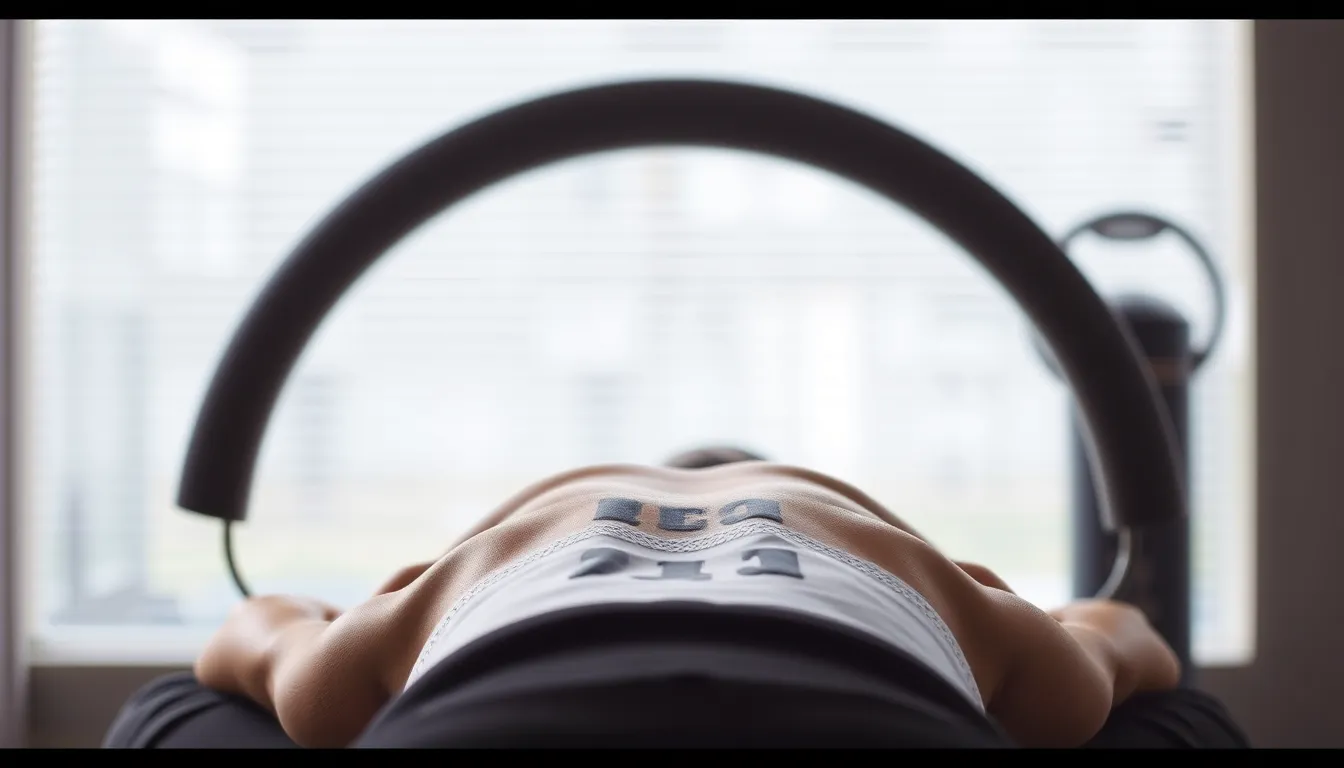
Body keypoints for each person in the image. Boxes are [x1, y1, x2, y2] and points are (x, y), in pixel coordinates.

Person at [104, 446, 1250, 749]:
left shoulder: (463, 571)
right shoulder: (936, 581)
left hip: (504, 712)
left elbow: (252, 654)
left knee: (174, 708)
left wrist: (313, 620)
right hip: (867, 714)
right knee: (1176, 721)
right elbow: (1117, 649)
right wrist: (1069, 632)